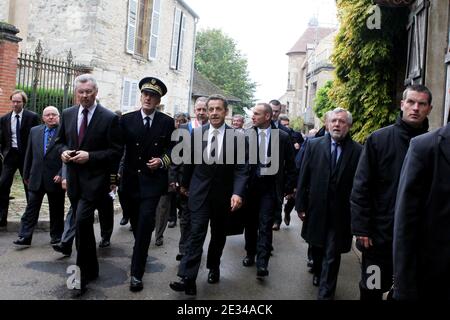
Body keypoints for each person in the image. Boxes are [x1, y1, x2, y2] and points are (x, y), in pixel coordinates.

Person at [351, 84, 432, 300]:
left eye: (421, 104)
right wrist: (361, 228)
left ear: (429, 109)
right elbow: (361, 186)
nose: (415, 108)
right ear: (402, 104)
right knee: (371, 288)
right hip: (378, 238)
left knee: (405, 292)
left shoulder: (434, 145)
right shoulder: (379, 139)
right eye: (411, 102)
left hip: (415, 241)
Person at [169, 94, 248, 296]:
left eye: (218, 109)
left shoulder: (238, 138)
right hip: (199, 194)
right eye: (210, 109)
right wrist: (184, 186)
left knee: (218, 235)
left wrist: (238, 193)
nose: (213, 113)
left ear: (226, 112)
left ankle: (214, 266)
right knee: (196, 233)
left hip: (223, 198)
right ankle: (187, 277)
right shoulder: (195, 135)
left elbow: (241, 169)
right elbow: (189, 164)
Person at [56, 74, 123, 296]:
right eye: (81, 92)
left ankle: (78, 278)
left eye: (89, 92)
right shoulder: (67, 114)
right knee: (83, 228)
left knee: (81, 223)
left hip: (96, 183)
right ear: (77, 93)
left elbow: (115, 152)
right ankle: (92, 269)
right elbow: (59, 142)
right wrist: (64, 152)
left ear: (96, 92)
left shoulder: (109, 117)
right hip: (74, 182)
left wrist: (90, 156)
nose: (85, 96)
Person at [296, 108, 362, 300]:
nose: (337, 125)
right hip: (316, 209)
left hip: (340, 213)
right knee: (316, 247)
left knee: (332, 254)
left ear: (348, 126)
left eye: (342, 122)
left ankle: (326, 294)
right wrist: (300, 204)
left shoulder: (358, 151)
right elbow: (304, 176)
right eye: (333, 121)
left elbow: (360, 185)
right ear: (327, 124)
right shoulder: (314, 145)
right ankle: (317, 270)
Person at [119, 76, 175, 292]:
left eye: (153, 96)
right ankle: (139, 250)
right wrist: (114, 178)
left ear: (158, 100)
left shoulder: (167, 122)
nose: (148, 98)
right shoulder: (126, 119)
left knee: (144, 227)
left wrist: (162, 161)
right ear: (140, 96)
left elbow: (173, 150)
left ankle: (136, 273)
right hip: (129, 183)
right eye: (145, 94)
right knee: (137, 225)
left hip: (152, 184)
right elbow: (117, 149)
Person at [392, 124, 450, 299]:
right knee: (373, 282)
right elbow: (405, 222)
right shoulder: (424, 147)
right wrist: (403, 287)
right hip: (432, 279)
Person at [242, 103, 296, 278]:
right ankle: (250, 253)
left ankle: (262, 263)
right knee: (250, 224)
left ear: (267, 116)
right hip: (250, 187)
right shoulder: (246, 135)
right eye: (253, 114)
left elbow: (291, 164)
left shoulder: (282, 137)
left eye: (256, 114)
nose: (253, 117)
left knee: (265, 224)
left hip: (270, 188)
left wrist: (289, 187)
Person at [12, 106, 65, 246]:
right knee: (31, 208)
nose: (51, 117)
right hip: (36, 176)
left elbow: (68, 155)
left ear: (59, 117)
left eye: (54, 114)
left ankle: (56, 236)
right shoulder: (34, 131)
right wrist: (26, 173)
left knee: (56, 209)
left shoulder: (64, 132)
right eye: (48, 115)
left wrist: (61, 174)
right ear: (43, 117)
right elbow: (29, 153)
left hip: (55, 178)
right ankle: (25, 236)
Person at [173, 99, 209, 262]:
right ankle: (184, 248)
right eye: (198, 109)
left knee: (198, 220)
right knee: (185, 217)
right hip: (184, 180)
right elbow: (175, 156)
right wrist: (174, 179)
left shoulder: (213, 131)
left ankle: (194, 248)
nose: (201, 112)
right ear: (194, 110)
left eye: (204, 109)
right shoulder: (183, 129)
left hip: (204, 183)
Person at [0, 90, 40, 228]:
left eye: (18, 101)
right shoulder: (4, 119)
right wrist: (4, 152)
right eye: (13, 101)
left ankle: (31, 219)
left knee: (29, 187)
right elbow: (2, 138)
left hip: (26, 156)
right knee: (3, 185)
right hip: (10, 156)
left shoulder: (32, 117)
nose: (15, 104)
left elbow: (36, 138)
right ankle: (1, 219)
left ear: (23, 102)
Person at [269, 100, 292, 231]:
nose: (274, 113)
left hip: (279, 170)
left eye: (277, 111)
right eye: (272, 110)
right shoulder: (258, 128)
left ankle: (277, 219)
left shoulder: (285, 132)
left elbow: (290, 157)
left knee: (278, 196)